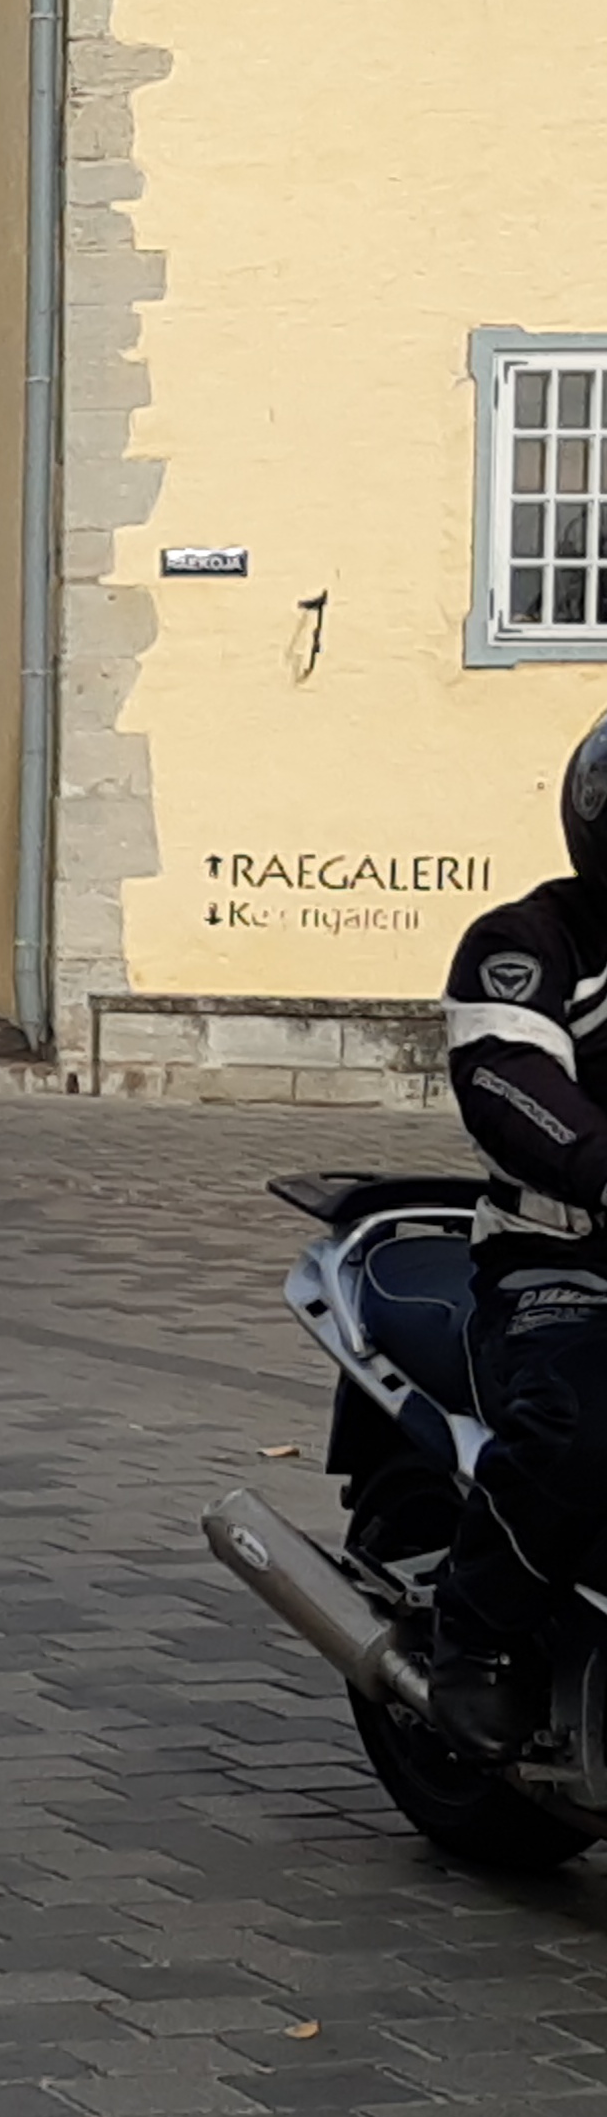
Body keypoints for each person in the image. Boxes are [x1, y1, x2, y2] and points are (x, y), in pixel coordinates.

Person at [431, 707, 607, 1757]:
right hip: (561, 1255)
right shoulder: (530, 942)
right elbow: (508, 1077)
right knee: (585, 1427)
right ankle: (478, 1632)